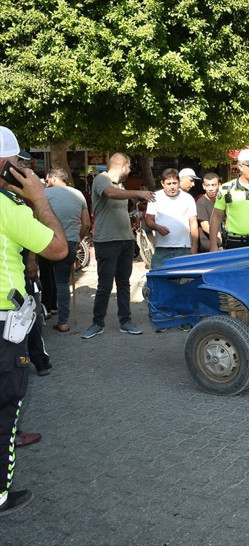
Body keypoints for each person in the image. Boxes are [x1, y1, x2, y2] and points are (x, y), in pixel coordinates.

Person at [0, 126, 68, 516]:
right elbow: (58, 248)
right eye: (17, 162)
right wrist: (39, 199)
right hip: (4, 330)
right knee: (5, 409)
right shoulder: (8, 207)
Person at [81, 153, 155, 339]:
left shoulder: (121, 186)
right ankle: (97, 323)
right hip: (106, 241)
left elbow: (117, 202)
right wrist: (138, 192)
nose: (130, 171)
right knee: (105, 285)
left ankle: (125, 321)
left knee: (123, 283)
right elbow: (110, 194)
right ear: (123, 166)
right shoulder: (101, 179)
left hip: (125, 240)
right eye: (129, 167)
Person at [43, 168, 91, 332]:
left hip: (46, 241)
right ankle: (63, 321)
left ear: (52, 178)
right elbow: (86, 224)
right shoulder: (78, 194)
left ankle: (46, 310)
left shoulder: (44, 194)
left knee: (45, 275)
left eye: (47, 178)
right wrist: (77, 240)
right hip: (70, 241)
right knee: (62, 281)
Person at [145, 168, 198, 268]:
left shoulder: (188, 198)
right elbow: (148, 219)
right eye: (169, 184)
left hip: (184, 248)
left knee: (183, 279)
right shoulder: (155, 197)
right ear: (162, 183)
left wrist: (194, 246)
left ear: (179, 182)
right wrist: (157, 227)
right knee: (158, 278)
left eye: (174, 183)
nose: (172, 187)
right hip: (162, 248)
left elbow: (193, 223)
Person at [196, 172, 222, 252]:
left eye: (213, 185)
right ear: (204, 186)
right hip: (207, 245)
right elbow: (205, 225)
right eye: (208, 185)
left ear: (219, 185)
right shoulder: (201, 202)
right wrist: (217, 235)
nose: (210, 188)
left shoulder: (221, 200)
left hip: (221, 242)